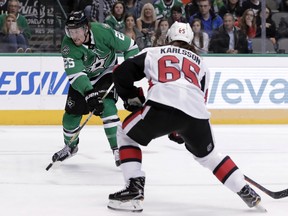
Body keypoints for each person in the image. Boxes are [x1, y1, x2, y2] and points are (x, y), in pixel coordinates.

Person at [107, 21, 262, 212]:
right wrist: (180, 130)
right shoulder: (203, 65)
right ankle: (244, 189)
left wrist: (131, 96)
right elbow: (198, 99)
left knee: (125, 133)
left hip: (161, 105)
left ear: (169, 38)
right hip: (196, 115)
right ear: (191, 40)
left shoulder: (155, 51)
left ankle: (134, 188)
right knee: (210, 156)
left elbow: (121, 73)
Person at [51, 11, 139, 167]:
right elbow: (76, 74)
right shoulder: (67, 46)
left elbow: (131, 47)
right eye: (71, 32)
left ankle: (119, 149)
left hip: (107, 73)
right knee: (70, 119)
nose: (74, 36)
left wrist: (129, 70)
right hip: (84, 78)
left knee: (108, 108)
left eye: (77, 31)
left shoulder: (103, 31)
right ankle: (70, 147)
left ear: (86, 28)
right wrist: (89, 93)